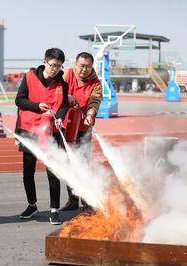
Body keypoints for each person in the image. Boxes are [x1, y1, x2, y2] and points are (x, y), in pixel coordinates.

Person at [15, 48, 68, 225]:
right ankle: (32, 205)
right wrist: (37, 106)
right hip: (29, 130)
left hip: (50, 132)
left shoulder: (62, 83)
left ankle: (54, 210)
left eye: (59, 66)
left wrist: (60, 117)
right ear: (44, 61)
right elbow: (19, 100)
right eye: (53, 65)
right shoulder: (29, 78)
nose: (55, 69)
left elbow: (63, 106)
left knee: (53, 172)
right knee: (28, 172)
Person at [59, 52, 103, 212]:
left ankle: (87, 200)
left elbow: (95, 100)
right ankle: (72, 200)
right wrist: (68, 97)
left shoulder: (96, 83)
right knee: (68, 162)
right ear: (75, 64)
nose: (84, 69)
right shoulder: (67, 74)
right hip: (66, 126)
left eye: (88, 66)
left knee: (83, 164)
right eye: (81, 66)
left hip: (83, 128)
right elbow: (58, 90)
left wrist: (90, 114)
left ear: (92, 66)